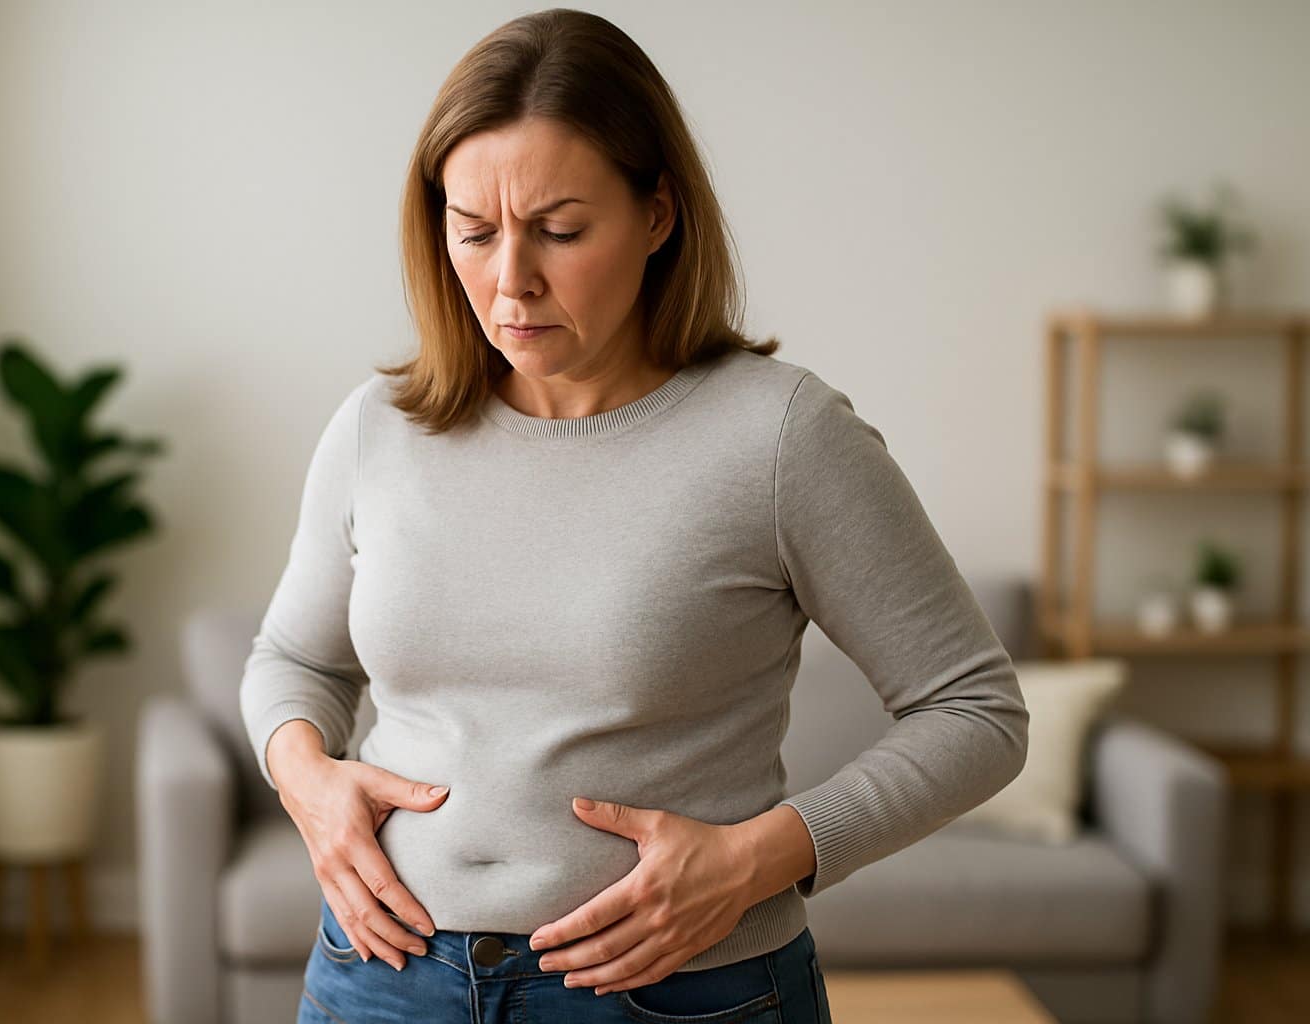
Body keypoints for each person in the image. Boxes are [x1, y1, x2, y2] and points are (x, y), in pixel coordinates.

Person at [239, 9, 1029, 1023]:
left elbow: (976, 711)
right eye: (472, 231)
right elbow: (292, 661)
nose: (508, 280)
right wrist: (308, 777)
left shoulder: (781, 435)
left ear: (658, 215)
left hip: (675, 997)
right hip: (381, 979)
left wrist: (759, 857)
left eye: (560, 231)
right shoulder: (381, 427)